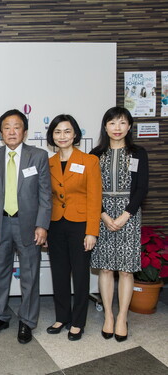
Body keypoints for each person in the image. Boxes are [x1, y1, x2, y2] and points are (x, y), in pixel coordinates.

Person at [0, 109, 52, 344]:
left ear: (25, 131)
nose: (12, 131)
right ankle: (0, 316)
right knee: (0, 274)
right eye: (7, 127)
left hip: (29, 226)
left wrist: (42, 225)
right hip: (0, 223)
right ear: (1, 132)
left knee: (29, 276)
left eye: (17, 126)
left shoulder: (38, 156)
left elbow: (45, 195)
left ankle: (27, 321)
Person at [90, 107, 149, 342]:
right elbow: (91, 191)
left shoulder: (138, 153)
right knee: (105, 268)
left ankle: (122, 317)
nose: (117, 128)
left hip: (130, 215)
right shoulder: (95, 154)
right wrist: (103, 215)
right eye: (112, 123)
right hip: (102, 214)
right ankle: (108, 316)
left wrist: (125, 215)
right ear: (105, 126)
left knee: (125, 270)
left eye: (122, 123)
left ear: (129, 127)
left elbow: (141, 188)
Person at [45, 114, 102, 341]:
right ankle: (62, 317)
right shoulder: (47, 163)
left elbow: (95, 199)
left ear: (75, 134)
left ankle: (78, 322)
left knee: (80, 275)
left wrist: (92, 231)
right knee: (59, 273)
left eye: (67, 131)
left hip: (80, 225)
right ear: (52, 136)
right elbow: (46, 197)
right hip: (55, 224)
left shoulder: (89, 161)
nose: (62, 136)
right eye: (58, 132)